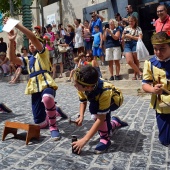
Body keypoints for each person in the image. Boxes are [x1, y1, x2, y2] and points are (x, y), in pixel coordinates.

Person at [6, 19, 67, 140]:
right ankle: (55, 112)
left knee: (47, 98)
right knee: (40, 123)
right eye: (29, 44)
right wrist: (11, 41)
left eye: (33, 43)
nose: (31, 44)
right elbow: (12, 58)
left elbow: (33, 37)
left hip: (46, 84)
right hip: (34, 88)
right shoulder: (28, 59)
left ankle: (54, 127)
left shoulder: (43, 53)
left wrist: (16, 24)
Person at [72, 65, 128, 154]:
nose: (74, 85)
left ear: (89, 87)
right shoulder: (82, 85)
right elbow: (83, 101)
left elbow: (100, 119)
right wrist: (81, 115)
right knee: (107, 127)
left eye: (76, 84)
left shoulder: (104, 92)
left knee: (94, 110)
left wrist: (84, 140)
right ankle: (115, 122)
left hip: (115, 100)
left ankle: (105, 139)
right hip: (100, 101)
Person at [142, 31, 170, 146]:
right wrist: (153, 89)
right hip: (162, 105)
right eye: (155, 49)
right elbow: (144, 85)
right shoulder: (150, 63)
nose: (158, 52)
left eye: (162, 49)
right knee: (165, 140)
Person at [122, 16, 143, 80]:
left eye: (132, 21)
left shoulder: (138, 28)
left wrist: (130, 36)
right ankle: (139, 72)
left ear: (135, 21)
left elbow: (140, 38)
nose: (130, 22)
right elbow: (122, 37)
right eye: (129, 21)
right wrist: (123, 35)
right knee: (129, 61)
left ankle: (135, 75)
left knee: (136, 60)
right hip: (127, 44)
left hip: (135, 43)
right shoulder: (126, 28)